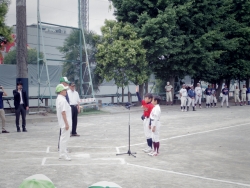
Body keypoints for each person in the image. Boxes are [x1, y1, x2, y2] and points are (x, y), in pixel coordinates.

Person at [56, 84, 72, 161]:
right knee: (65, 139)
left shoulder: (60, 98)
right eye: (65, 90)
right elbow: (63, 112)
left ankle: (61, 153)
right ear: (61, 91)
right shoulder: (62, 100)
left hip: (63, 122)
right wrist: (66, 123)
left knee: (63, 138)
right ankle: (64, 154)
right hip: (65, 122)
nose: (66, 91)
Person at [136, 86, 154, 153]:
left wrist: (150, 124)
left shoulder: (151, 105)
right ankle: (148, 146)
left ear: (150, 99)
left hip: (149, 119)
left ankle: (150, 147)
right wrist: (137, 92)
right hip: (145, 119)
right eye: (145, 98)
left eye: (147, 98)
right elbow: (140, 99)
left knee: (149, 134)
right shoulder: (145, 103)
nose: (145, 99)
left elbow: (151, 115)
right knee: (146, 134)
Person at [58, 77, 70, 150]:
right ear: (62, 83)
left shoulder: (65, 91)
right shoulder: (61, 92)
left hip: (66, 112)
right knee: (63, 132)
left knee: (63, 132)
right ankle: (61, 147)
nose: (67, 84)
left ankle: (63, 146)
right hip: (63, 113)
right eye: (66, 83)